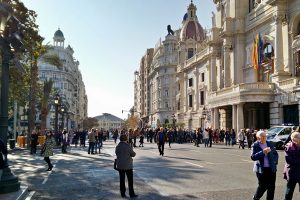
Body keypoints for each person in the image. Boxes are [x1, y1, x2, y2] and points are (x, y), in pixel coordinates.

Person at [251, 130, 278, 200]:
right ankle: (256, 198)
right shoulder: (255, 145)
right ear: (258, 137)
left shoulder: (269, 143)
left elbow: (275, 154)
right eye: (262, 136)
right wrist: (263, 152)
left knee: (271, 187)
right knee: (262, 186)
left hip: (271, 168)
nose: (264, 138)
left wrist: (274, 161)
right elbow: (253, 157)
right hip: (261, 169)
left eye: (265, 136)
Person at [115, 134, 137, 198]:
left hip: (120, 165)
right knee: (130, 180)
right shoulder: (128, 146)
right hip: (128, 166)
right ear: (126, 139)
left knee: (122, 180)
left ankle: (123, 193)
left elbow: (116, 153)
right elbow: (133, 154)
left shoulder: (118, 146)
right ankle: (131, 193)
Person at [283, 131, 300, 200]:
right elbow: (289, 160)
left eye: (297, 138)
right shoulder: (288, 147)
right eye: (293, 139)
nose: (295, 140)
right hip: (292, 171)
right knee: (289, 191)